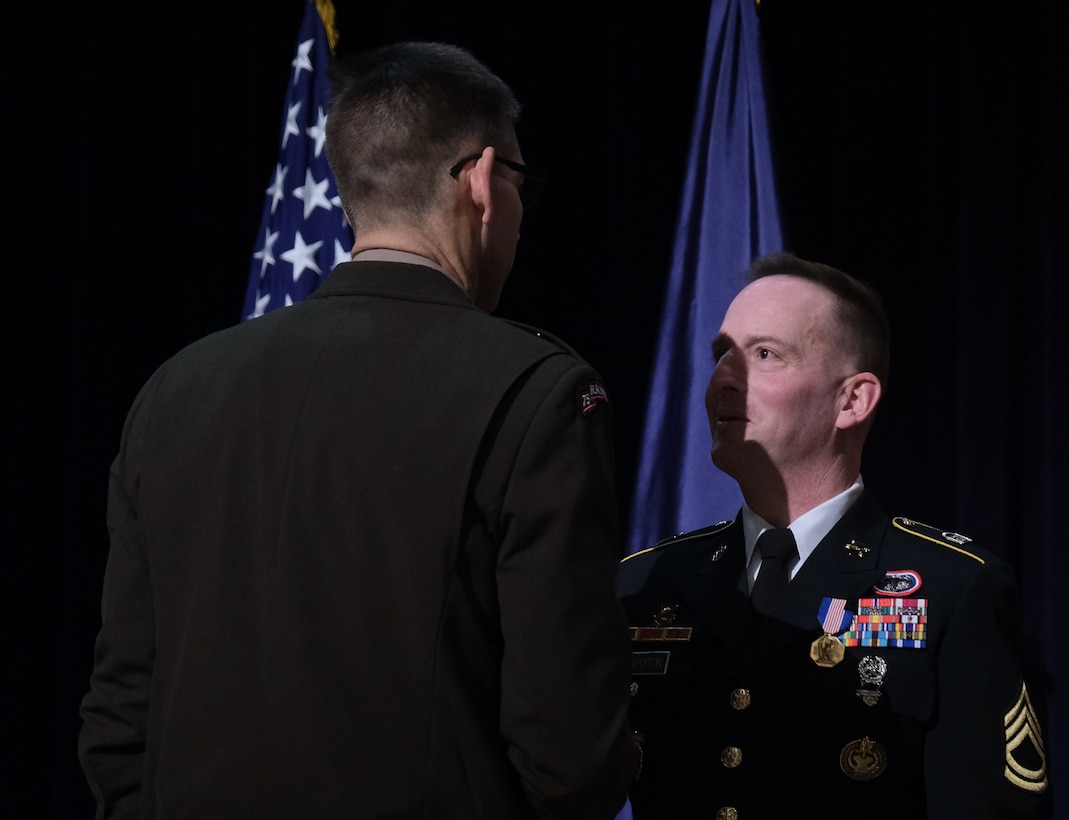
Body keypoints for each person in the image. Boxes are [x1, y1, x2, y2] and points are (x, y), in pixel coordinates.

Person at [78, 42, 633, 820]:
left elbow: (120, 716)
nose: (516, 212)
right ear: (479, 181)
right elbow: (568, 750)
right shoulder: (533, 392)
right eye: (519, 182)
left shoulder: (175, 391)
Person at [617, 252, 1052, 819]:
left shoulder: (954, 589)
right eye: (722, 354)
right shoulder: (649, 582)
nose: (723, 378)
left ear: (853, 400)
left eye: (765, 355)